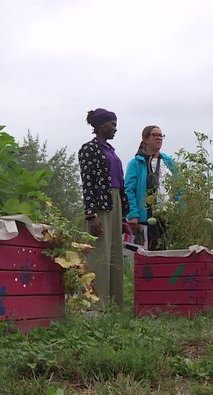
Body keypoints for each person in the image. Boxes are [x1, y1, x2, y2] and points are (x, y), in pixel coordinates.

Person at [78, 108, 128, 310]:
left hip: (115, 203)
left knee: (115, 251)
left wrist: (124, 215)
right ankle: (94, 305)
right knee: (99, 253)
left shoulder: (111, 151)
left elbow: (120, 183)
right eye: (112, 124)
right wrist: (91, 215)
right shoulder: (89, 149)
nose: (115, 128)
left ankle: (114, 303)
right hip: (100, 205)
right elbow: (87, 182)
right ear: (100, 126)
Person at [125, 125, 176, 250]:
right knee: (148, 257)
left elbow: (179, 187)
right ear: (145, 139)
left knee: (167, 255)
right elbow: (129, 190)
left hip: (168, 217)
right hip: (146, 218)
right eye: (155, 135)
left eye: (161, 135)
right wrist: (133, 214)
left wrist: (179, 208)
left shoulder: (169, 162)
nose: (159, 138)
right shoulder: (136, 163)